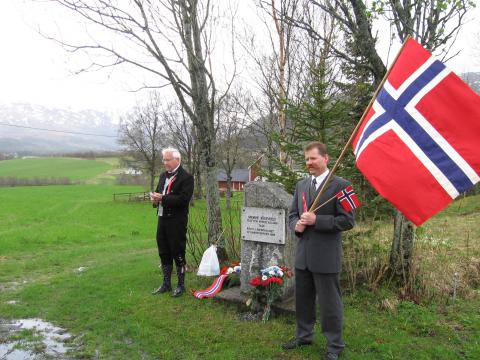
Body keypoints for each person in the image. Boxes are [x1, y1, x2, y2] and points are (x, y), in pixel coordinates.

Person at [283, 142, 355, 360]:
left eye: (313, 158)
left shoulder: (343, 186)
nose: (309, 163)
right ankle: (304, 335)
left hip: (326, 257)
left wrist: (317, 220)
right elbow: (293, 214)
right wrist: (295, 225)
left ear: (326, 158)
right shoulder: (301, 185)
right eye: (306, 159)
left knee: (329, 304)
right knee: (303, 301)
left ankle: (335, 346)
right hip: (303, 256)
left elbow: (348, 221)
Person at [150, 147, 194, 298]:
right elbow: (158, 193)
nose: (165, 163)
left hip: (177, 221)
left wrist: (162, 198)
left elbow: (183, 199)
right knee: (163, 251)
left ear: (177, 160)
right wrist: (155, 199)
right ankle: (166, 283)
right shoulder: (163, 176)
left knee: (178, 251)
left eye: (168, 160)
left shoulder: (186, 177)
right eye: (164, 160)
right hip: (162, 219)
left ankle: (181, 285)